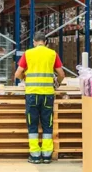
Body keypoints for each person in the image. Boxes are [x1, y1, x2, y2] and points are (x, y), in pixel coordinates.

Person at [13, 31, 65, 164]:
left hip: (32, 94)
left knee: (33, 124)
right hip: (48, 94)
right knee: (47, 124)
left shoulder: (28, 53)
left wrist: (25, 78)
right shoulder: (52, 54)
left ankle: (35, 155)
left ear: (34, 42)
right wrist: (56, 84)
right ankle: (47, 155)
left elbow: (18, 73)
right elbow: (61, 74)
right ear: (46, 42)